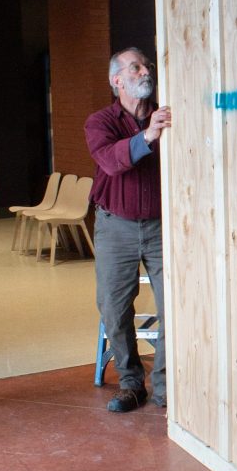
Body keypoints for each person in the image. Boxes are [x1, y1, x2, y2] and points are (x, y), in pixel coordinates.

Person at [85, 48, 171, 413]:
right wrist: (147, 137)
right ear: (116, 80)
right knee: (114, 307)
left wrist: (156, 129)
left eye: (146, 65)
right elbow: (110, 159)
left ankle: (166, 388)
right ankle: (132, 383)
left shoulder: (165, 116)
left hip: (161, 226)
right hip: (115, 225)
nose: (144, 71)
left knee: (174, 306)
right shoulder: (99, 122)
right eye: (135, 67)